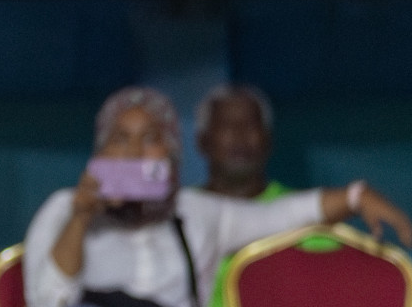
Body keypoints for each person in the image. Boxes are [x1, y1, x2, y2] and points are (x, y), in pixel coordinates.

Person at [23, 86, 412, 307]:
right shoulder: (62, 209)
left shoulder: (197, 214)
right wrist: (80, 219)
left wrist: (358, 196)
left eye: (151, 140)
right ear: (99, 154)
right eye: (119, 140)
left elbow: (288, 212)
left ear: (173, 156)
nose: (135, 153)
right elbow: (45, 301)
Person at [195, 84, 340, 307]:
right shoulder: (179, 212)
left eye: (250, 125)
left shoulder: (307, 216)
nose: (239, 135)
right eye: (226, 125)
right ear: (202, 141)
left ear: (269, 140)